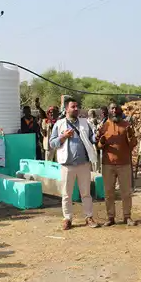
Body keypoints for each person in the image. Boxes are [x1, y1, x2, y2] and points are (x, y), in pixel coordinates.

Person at [49, 98, 97, 230]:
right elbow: (52, 143)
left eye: (77, 106)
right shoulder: (59, 124)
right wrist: (63, 137)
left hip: (83, 164)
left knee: (86, 193)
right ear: (66, 109)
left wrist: (96, 137)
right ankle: (67, 218)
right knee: (66, 194)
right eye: (73, 106)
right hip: (67, 164)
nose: (76, 109)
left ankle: (88, 217)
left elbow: (91, 138)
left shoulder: (84, 123)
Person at [98, 103, 137, 225]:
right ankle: (110, 217)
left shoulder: (127, 125)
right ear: (109, 111)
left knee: (126, 192)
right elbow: (98, 146)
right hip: (107, 164)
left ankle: (127, 216)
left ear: (120, 110)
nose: (114, 110)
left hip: (124, 163)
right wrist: (101, 142)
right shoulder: (104, 126)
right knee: (109, 192)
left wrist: (131, 136)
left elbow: (133, 145)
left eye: (116, 108)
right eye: (112, 108)